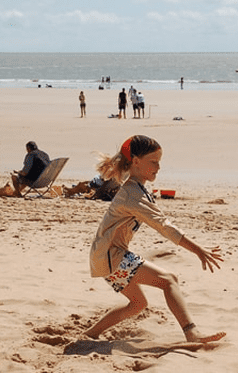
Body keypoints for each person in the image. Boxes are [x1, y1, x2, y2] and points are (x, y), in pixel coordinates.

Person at [84, 135, 226, 343]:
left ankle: (90, 334)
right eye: (153, 162)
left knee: (137, 304)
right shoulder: (132, 193)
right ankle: (191, 333)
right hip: (110, 256)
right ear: (135, 161)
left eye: (159, 162)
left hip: (104, 255)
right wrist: (198, 250)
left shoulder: (137, 189)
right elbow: (164, 226)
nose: (158, 167)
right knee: (169, 280)